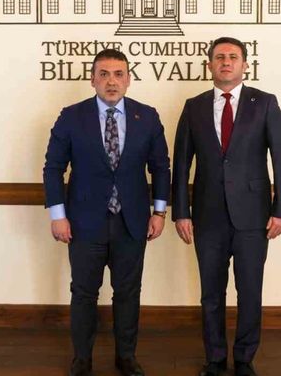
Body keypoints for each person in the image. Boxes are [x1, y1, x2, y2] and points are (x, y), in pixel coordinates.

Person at [43, 49, 171, 376]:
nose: (111, 81)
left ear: (128, 79)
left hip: (133, 222)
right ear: (92, 80)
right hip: (84, 223)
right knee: (84, 293)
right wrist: (58, 215)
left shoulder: (147, 117)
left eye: (118, 74)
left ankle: (126, 357)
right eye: (103, 74)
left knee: (128, 293)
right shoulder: (72, 116)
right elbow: (53, 167)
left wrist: (159, 212)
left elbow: (160, 167)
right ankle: (82, 359)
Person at [172, 37, 281, 376]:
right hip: (207, 215)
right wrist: (181, 212)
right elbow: (181, 163)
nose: (226, 62)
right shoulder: (193, 106)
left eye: (233, 57)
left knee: (250, 291)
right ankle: (214, 358)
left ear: (244, 65)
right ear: (210, 65)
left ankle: (244, 359)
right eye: (220, 57)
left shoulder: (265, 103)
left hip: (254, 216)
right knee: (211, 293)